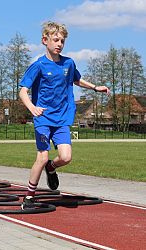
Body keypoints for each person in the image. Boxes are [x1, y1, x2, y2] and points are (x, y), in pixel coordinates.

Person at [19, 21, 110, 210]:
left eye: (62, 41)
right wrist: (32, 107)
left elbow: (76, 80)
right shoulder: (39, 65)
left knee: (66, 157)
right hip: (43, 118)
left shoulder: (69, 63)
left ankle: (51, 169)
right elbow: (22, 91)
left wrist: (95, 87)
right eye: (55, 40)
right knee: (42, 157)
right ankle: (29, 197)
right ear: (45, 40)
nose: (59, 44)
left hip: (61, 119)